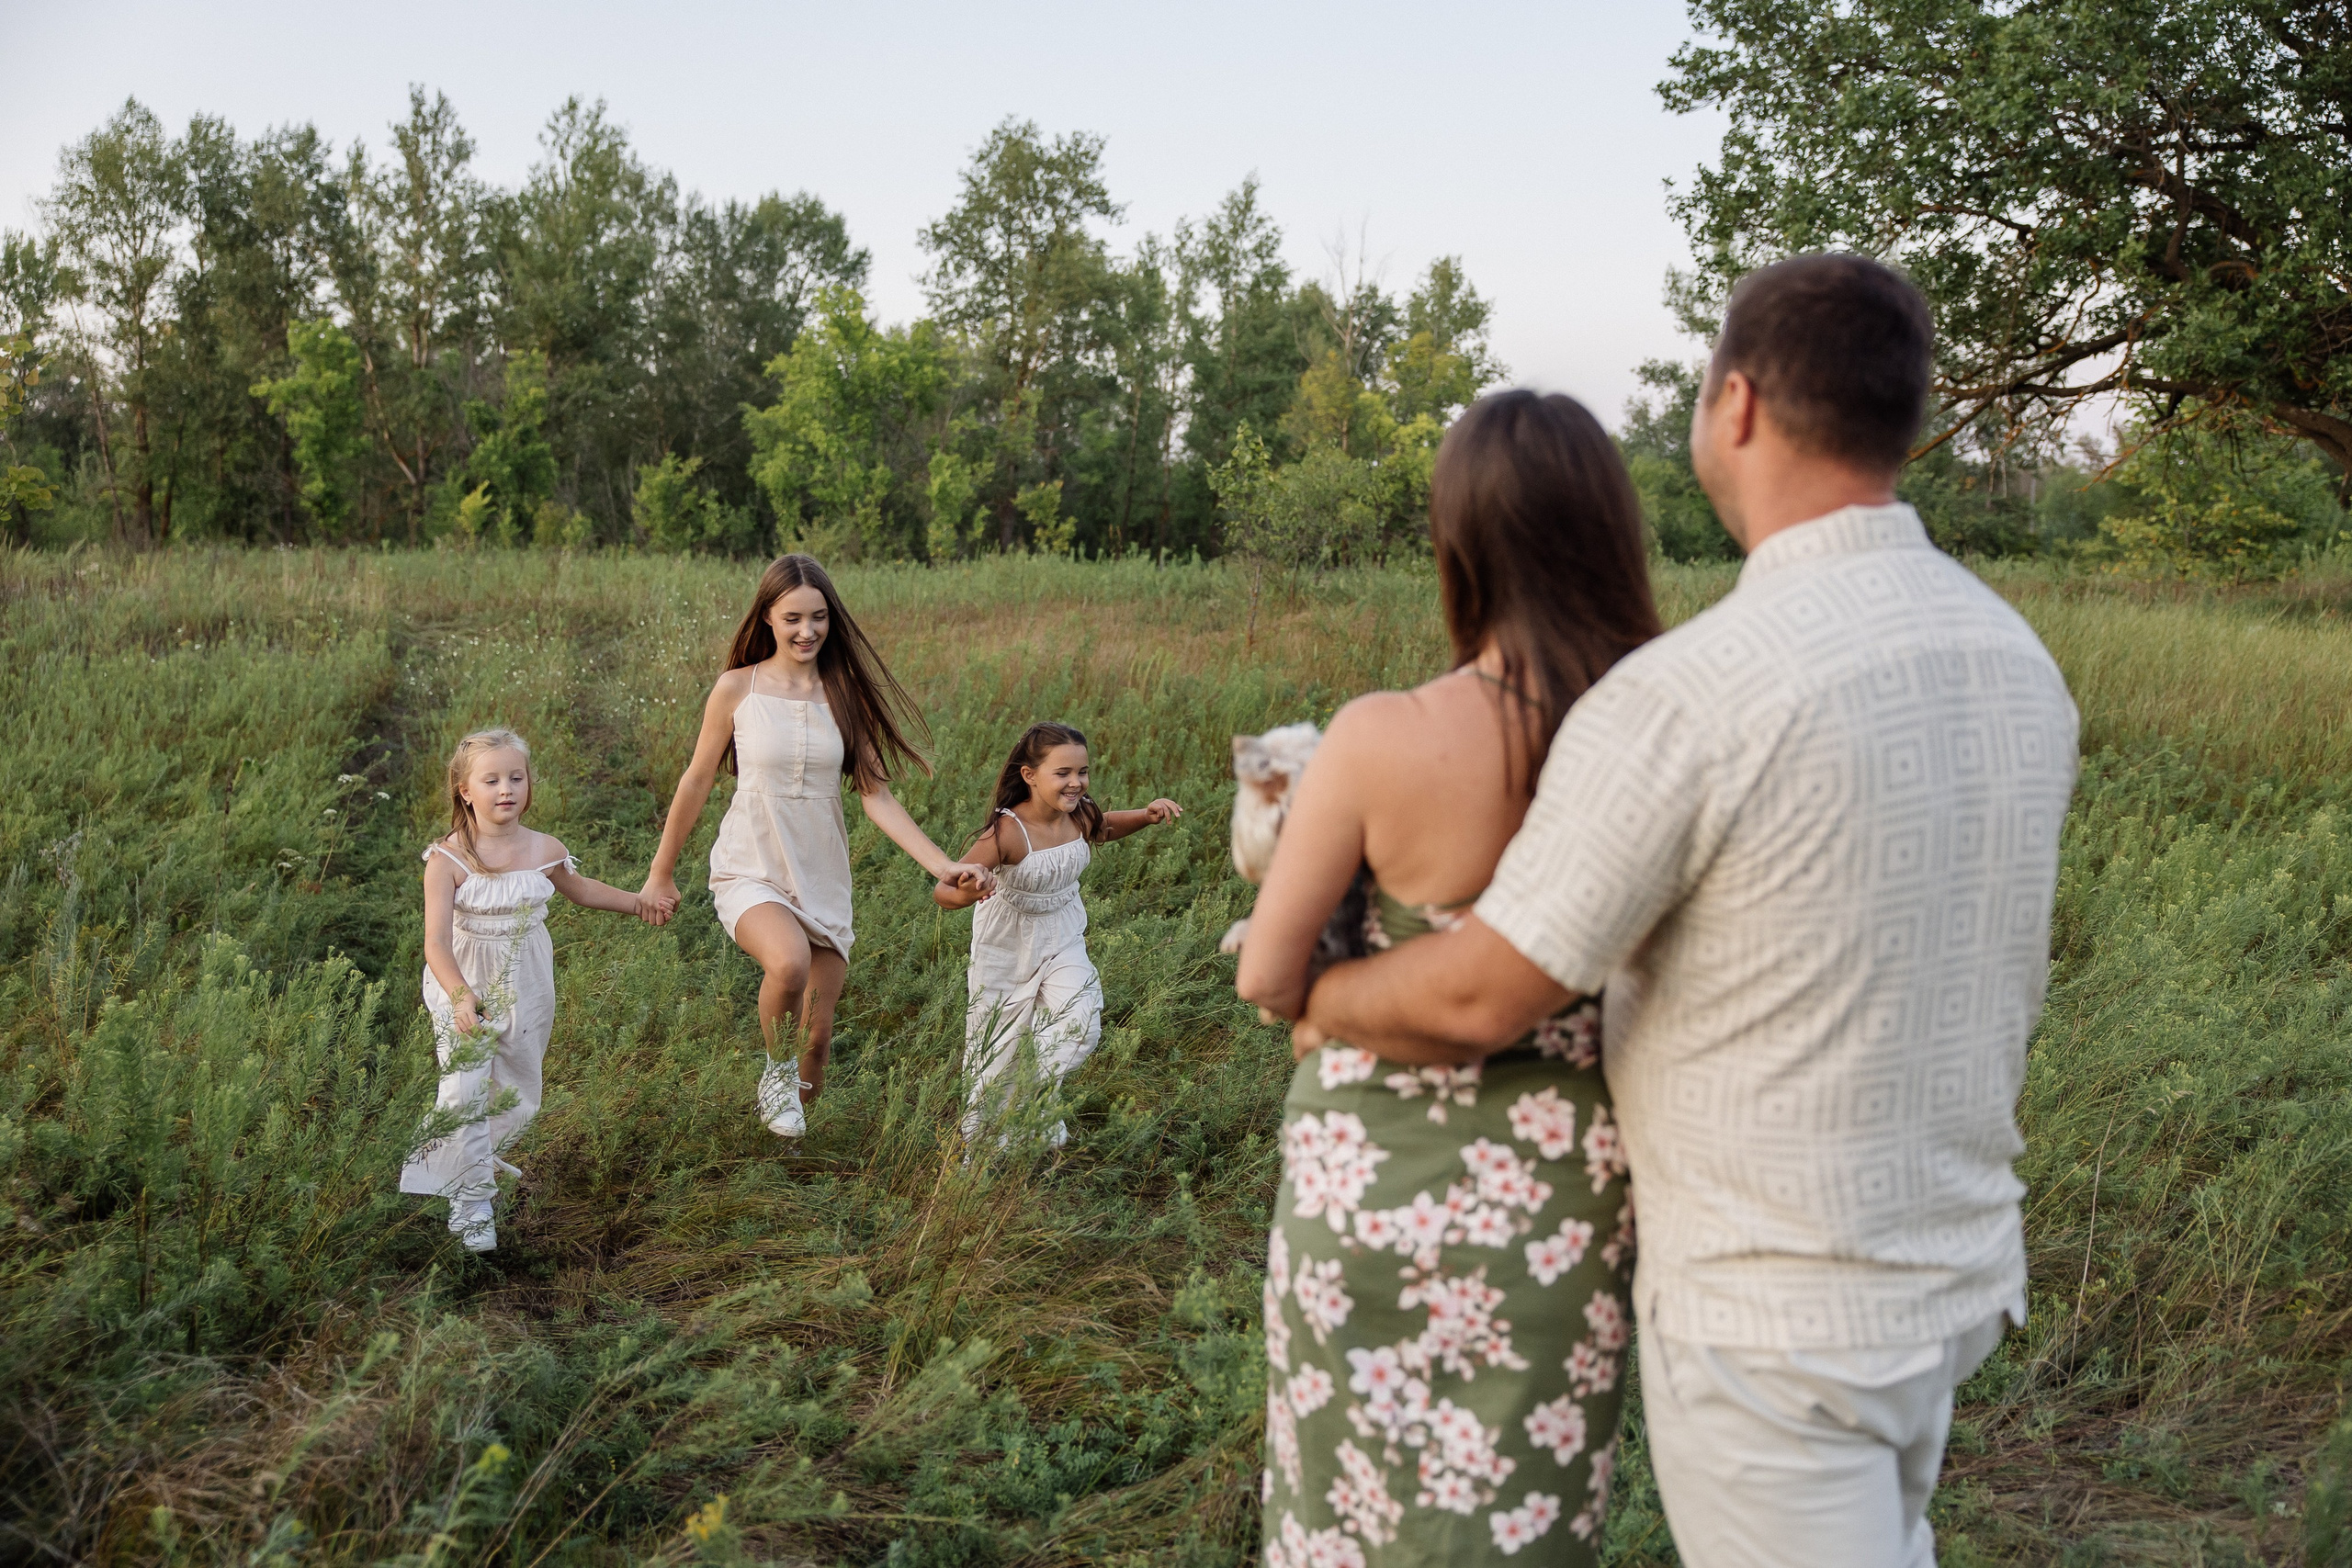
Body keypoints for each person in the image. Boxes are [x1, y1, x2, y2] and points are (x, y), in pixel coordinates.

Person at [1289, 254, 2081, 1566]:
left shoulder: (1702, 689)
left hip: (1777, 1299)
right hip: (1949, 1263)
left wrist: (1312, 988)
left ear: (1740, 405)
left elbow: (1486, 988)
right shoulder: (2014, 656)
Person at [1236, 390, 1663, 1566]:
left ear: (1457, 543)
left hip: (1363, 1178)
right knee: (1515, 1522)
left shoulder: (1380, 735)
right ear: (1612, 533)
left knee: (1345, 1512)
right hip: (1555, 1196)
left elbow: (1271, 972)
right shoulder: (1659, 729)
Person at [640, 554, 995, 1139]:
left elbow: (876, 797)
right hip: (751, 864)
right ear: (768, 619)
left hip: (822, 873)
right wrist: (661, 872)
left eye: (820, 617)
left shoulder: (845, 694)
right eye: (793, 618)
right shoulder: (737, 688)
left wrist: (943, 863)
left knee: (819, 1042)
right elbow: (697, 779)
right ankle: (774, 1075)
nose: (808, 631)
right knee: (789, 963)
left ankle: (787, 1158)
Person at [401, 728, 658, 1251]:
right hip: (464, 977)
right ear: (464, 790)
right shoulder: (447, 860)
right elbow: (435, 942)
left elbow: (581, 889)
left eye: (515, 778)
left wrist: (638, 902)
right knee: (465, 1085)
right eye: (490, 780)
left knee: (518, 1091)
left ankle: (458, 1160)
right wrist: (459, 996)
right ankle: (471, 1199)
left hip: (527, 976)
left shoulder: (544, 848)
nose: (505, 789)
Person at [933, 721, 1182, 1151]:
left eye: (1082, 772)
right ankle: (985, 1140)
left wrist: (1145, 814)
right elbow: (944, 891)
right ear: (1029, 776)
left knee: (1079, 1019)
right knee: (998, 1042)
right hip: (1007, 943)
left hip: (1064, 934)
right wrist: (970, 887)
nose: (1076, 783)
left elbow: (1104, 828)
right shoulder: (1008, 832)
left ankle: (1036, 1106)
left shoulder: (1081, 813)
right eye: (1062, 773)